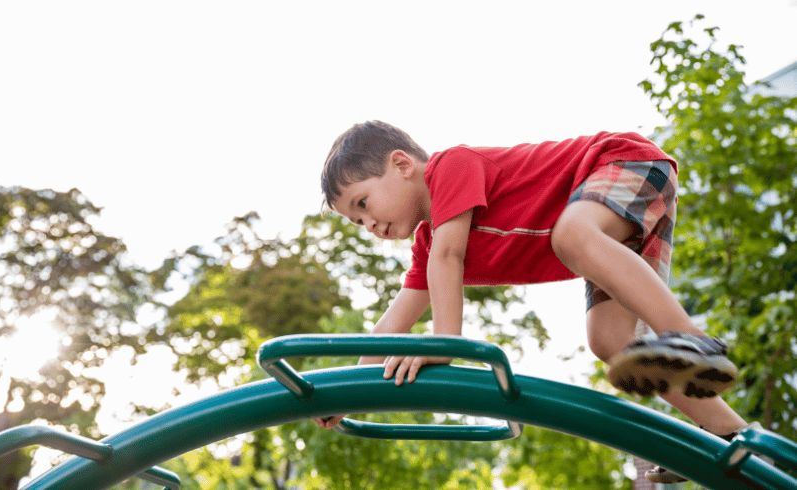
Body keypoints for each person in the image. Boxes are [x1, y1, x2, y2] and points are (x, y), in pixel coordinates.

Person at [314, 120, 749, 484]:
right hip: (608, 230)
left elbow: (450, 256)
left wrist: (444, 343)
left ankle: (692, 340)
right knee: (609, 339)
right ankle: (730, 434)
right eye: (357, 220)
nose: (368, 223)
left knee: (572, 237)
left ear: (402, 164)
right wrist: (343, 394)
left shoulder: (450, 168)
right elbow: (394, 324)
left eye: (364, 203)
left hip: (623, 163)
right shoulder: (430, 246)